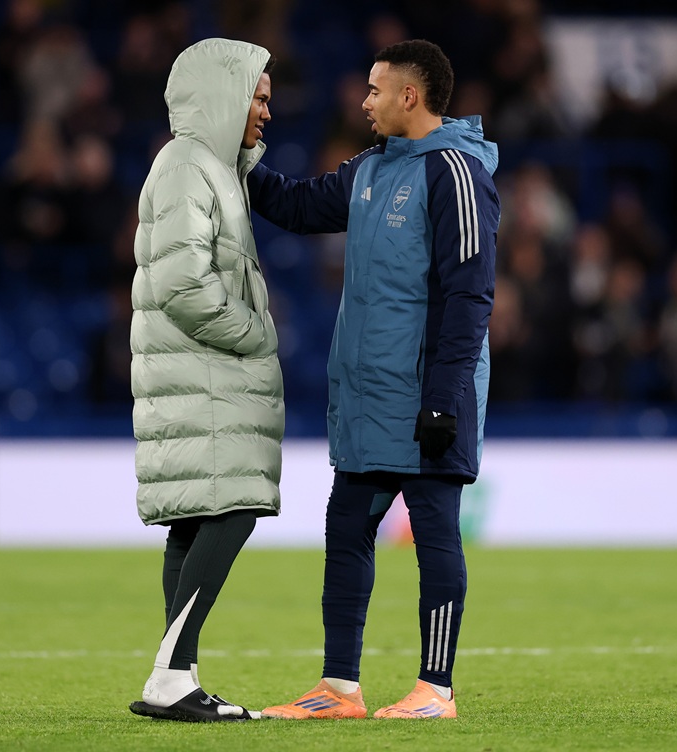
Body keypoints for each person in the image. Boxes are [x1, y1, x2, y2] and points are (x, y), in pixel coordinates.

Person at [248, 39, 500, 720]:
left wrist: (445, 398)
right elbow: (300, 208)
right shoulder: (369, 170)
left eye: (374, 89)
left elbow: (472, 296)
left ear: (409, 97)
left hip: (426, 396)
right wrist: (236, 161)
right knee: (347, 530)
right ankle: (339, 688)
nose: (363, 102)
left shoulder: (457, 172)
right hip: (367, 396)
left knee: (436, 535)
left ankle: (435, 690)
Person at [127, 38, 283, 723]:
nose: (265, 112)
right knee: (235, 506)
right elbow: (185, 285)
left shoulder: (208, 169)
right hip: (209, 377)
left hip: (201, 379)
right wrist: (256, 335)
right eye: (257, 95)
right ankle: (171, 672)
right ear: (224, 94)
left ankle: (177, 674)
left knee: (196, 520)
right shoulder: (189, 166)